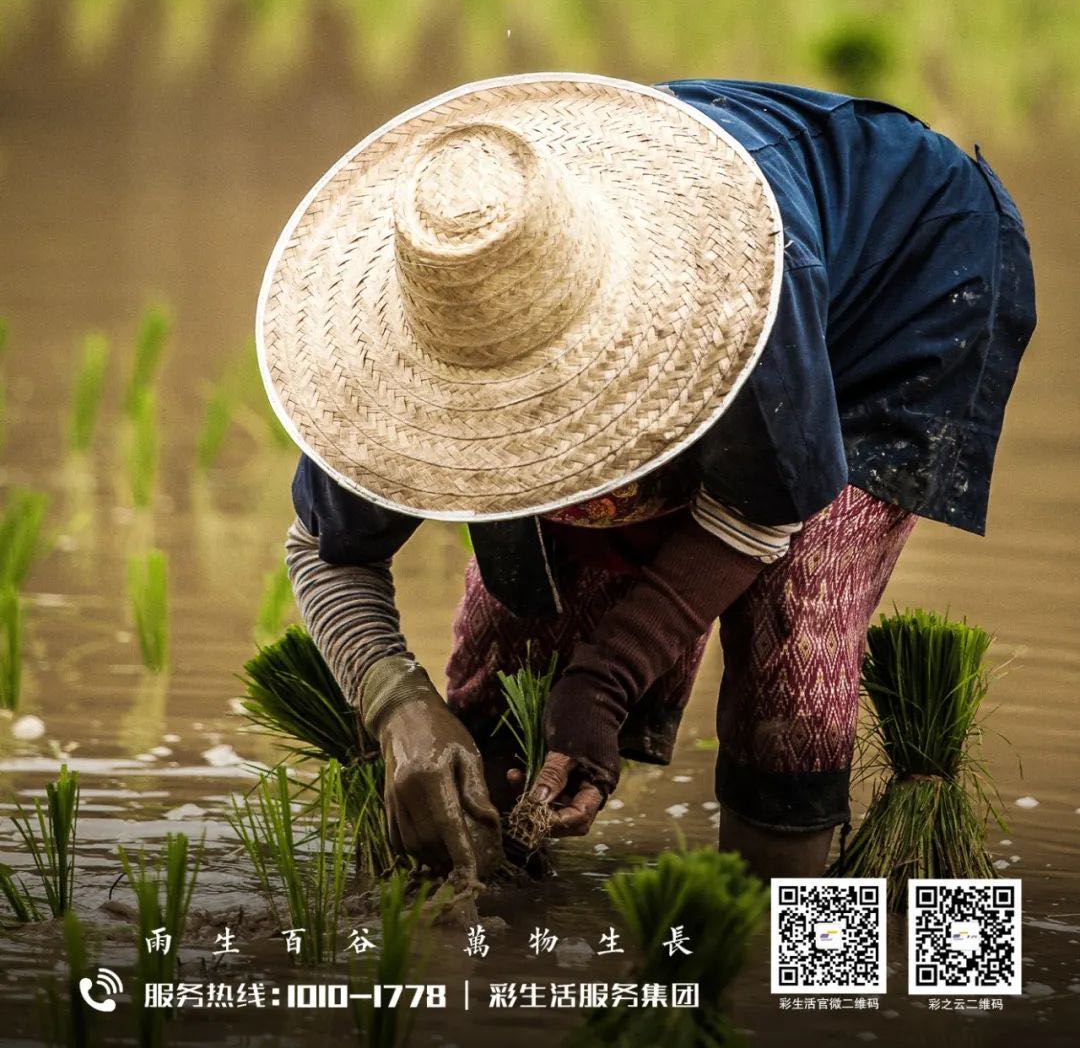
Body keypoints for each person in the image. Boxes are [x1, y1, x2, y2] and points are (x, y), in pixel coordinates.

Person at [258, 73, 1036, 887]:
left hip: (900, 280)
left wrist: (609, 676)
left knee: (794, 646)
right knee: (517, 644)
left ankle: (785, 962)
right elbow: (323, 548)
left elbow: (763, 510)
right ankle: (494, 917)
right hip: (675, 267)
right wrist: (398, 707)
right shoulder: (405, 344)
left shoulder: (735, 296)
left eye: (542, 400)